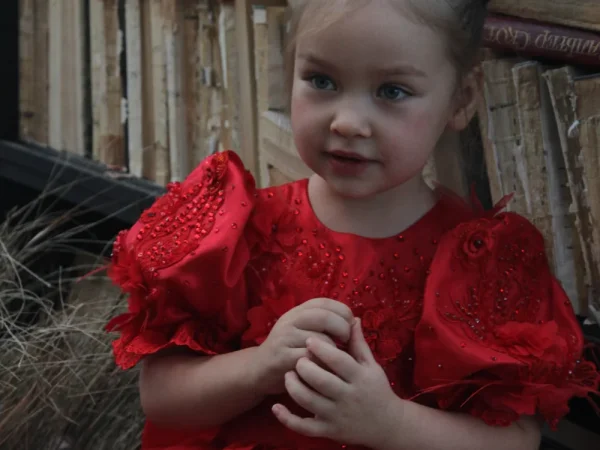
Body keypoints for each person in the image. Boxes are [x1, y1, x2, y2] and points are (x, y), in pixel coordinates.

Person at [105, 0, 600, 449]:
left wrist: (391, 424)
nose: (347, 121)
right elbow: (161, 397)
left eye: (392, 91)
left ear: (461, 99)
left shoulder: (485, 263)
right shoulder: (234, 234)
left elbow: (515, 440)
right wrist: (258, 366)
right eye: (321, 80)